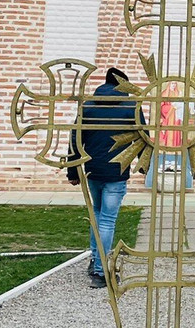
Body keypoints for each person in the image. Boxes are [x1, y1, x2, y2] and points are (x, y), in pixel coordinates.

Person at [68, 67, 137, 289]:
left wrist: (73, 170)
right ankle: (100, 271)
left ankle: (94, 260)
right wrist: (144, 166)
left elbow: (75, 136)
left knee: (97, 215)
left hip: (92, 168)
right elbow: (142, 135)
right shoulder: (131, 107)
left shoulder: (88, 105)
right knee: (107, 220)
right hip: (117, 171)